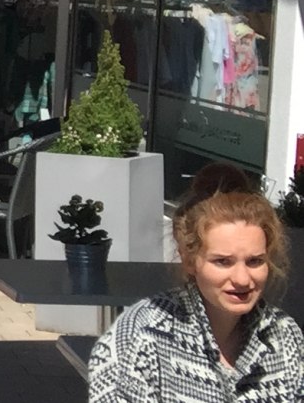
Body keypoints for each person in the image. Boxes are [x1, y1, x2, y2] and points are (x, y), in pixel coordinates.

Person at [88, 164, 304, 401]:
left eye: (254, 261)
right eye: (223, 261)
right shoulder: (141, 336)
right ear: (189, 260)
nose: (242, 279)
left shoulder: (283, 336)